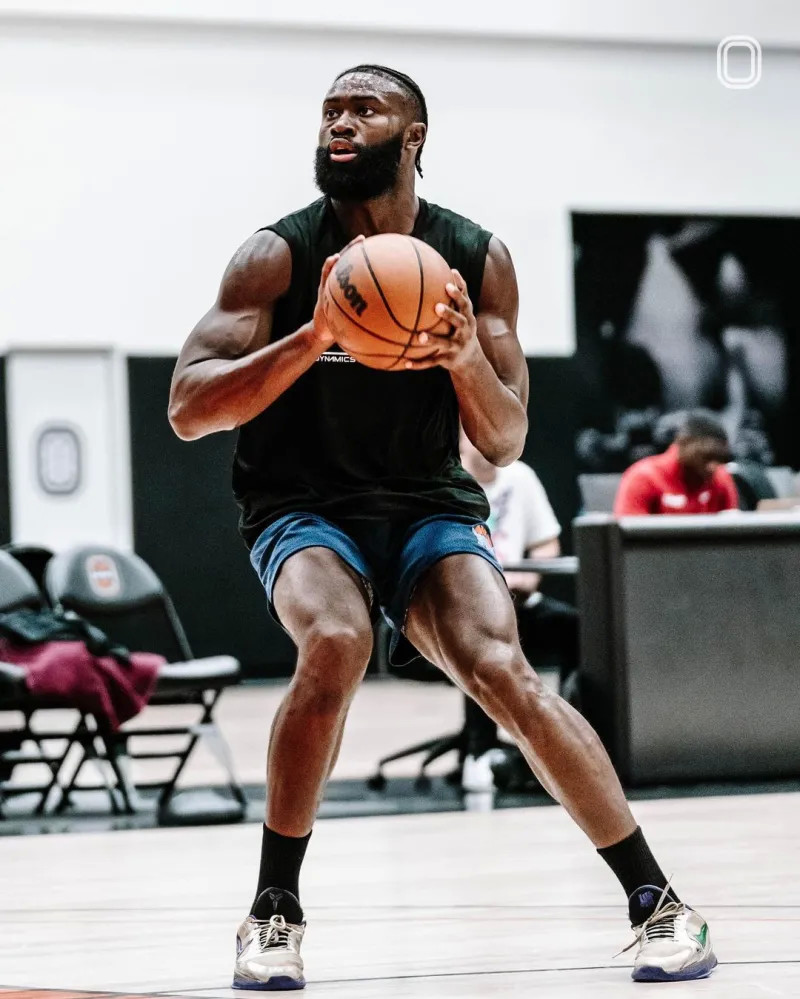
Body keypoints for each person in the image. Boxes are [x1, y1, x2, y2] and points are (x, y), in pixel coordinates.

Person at [169, 64, 716, 989]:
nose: (340, 124)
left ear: (413, 135)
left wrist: (463, 357)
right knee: (336, 640)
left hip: (427, 501)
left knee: (505, 670)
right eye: (330, 111)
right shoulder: (275, 256)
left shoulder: (473, 257)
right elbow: (189, 408)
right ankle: (273, 912)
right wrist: (312, 337)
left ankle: (658, 902)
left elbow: (503, 439)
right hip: (303, 505)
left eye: (364, 110)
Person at [458, 429, 580, 791]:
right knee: (479, 642)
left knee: (576, 628)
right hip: (462, 606)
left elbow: (547, 543)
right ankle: (480, 752)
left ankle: (569, 737)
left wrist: (526, 580)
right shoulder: (445, 480)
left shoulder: (522, 477)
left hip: (517, 600)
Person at [614, 410, 737, 516]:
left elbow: (732, 530)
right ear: (683, 445)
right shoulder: (644, 478)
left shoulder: (721, 477)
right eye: (706, 457)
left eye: (720, 459)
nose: (713, 467)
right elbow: (629, 533)